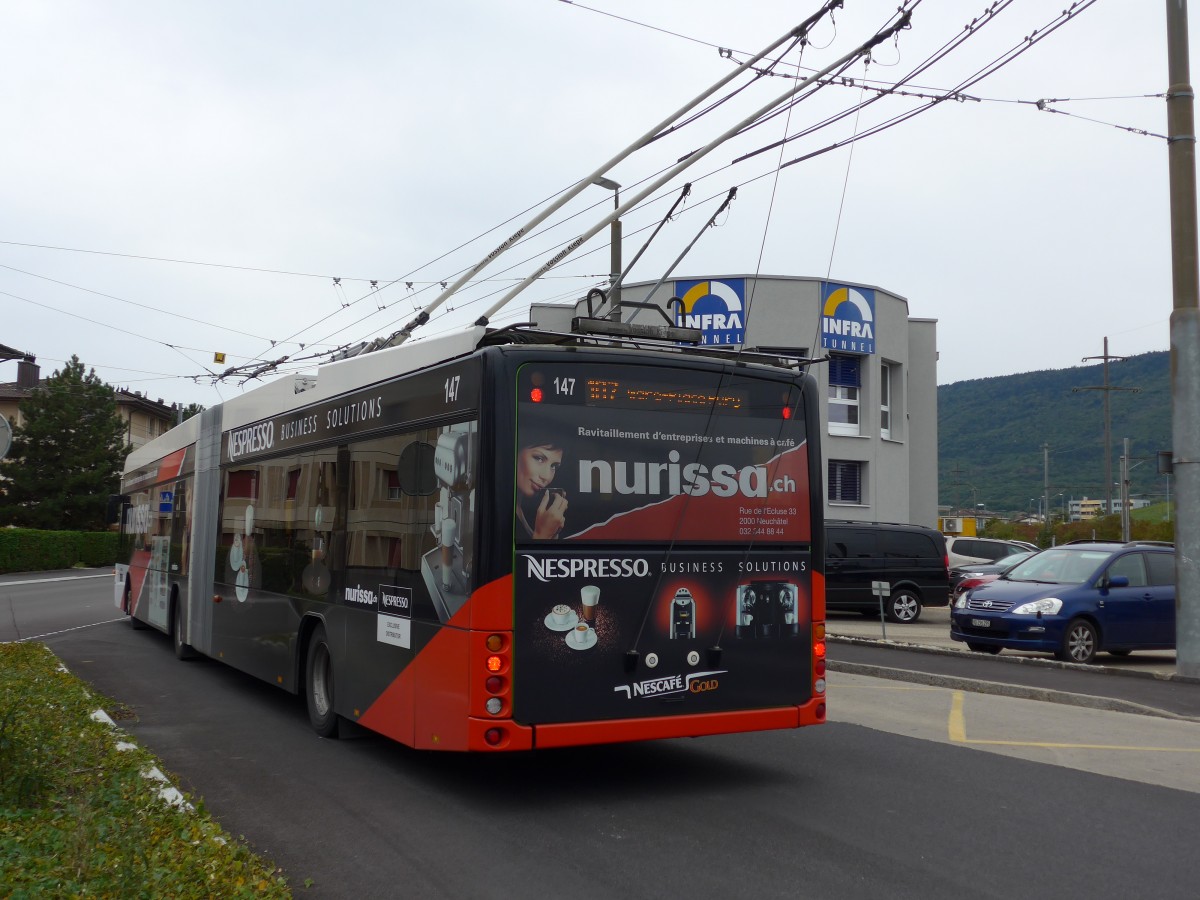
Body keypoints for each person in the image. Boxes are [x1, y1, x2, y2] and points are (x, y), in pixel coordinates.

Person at [515, 432, 568, 539]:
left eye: (554, 466)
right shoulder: (495, 511)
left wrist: (552, 533)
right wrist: (543, 534)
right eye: (539, 458)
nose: (546, 476)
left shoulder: (522, 511)